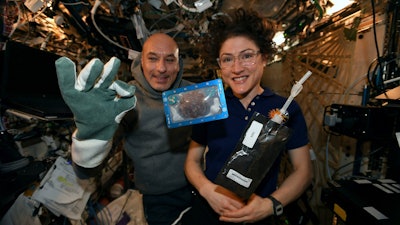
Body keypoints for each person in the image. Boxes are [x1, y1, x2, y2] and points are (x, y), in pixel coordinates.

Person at [181, 8, 313, 225]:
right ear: (219, 64)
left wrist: (270, 204)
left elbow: (304, 171)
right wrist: (207, 190)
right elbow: (192, 161)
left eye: (247, 56)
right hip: (209, 212)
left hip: (259, 215)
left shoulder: (285, 108)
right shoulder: (209, 104)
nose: (237, 68)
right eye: (227, 59)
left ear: (265, 57)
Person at [56, 33, 193, 225]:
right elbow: (85, 173)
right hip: (159, 198)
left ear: (178, 65)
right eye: (153, 58)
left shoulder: (193, 93)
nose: (161, 68)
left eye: (170, 60)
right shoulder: (124, 99)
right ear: (141, 62)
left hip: (201, 186)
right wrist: (90, 139)